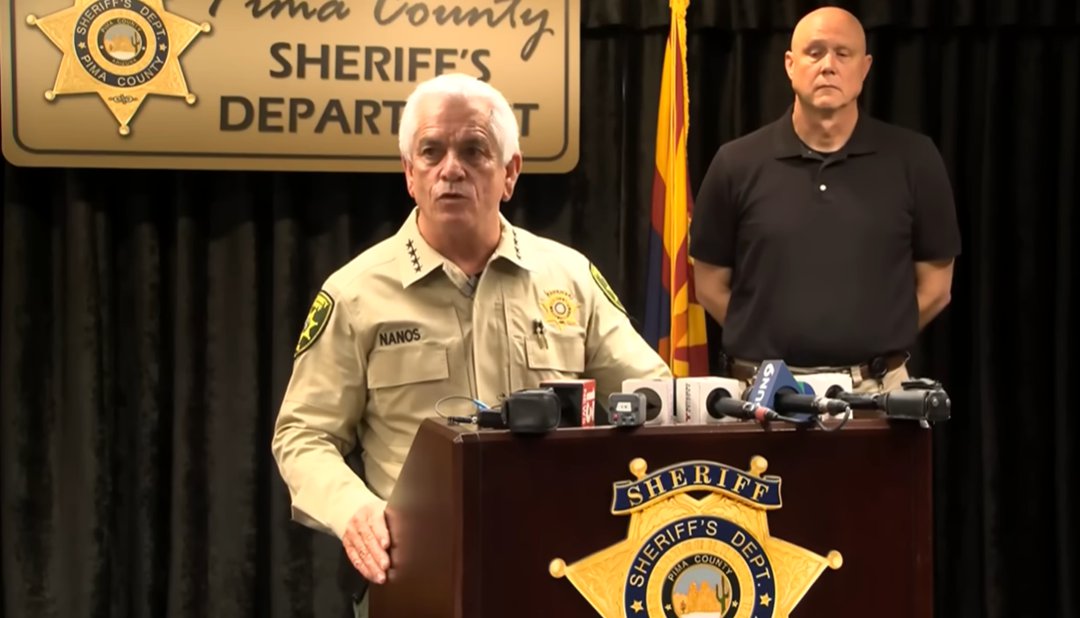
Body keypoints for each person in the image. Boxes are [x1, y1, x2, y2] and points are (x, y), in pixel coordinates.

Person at [271, 73, 672, 610]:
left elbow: (653, 394)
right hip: (420, 577)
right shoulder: (356, 293)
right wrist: (353, 511)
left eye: (474, 150)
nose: (451, 169)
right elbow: (303, 434)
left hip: (563, 567)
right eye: (431, 152)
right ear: (409, 175)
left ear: (510, 173)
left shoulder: (568, 278)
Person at [689, 6, 961, 394]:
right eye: (814, 53)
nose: (828, 66)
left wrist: (876, 346)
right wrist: (767, 342)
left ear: (865, 67)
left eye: (842, 53)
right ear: (790, 64)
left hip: (877, 390)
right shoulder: (735, 162)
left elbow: (937, 287)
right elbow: (709, 285)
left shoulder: (915, 159)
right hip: (764, 392)